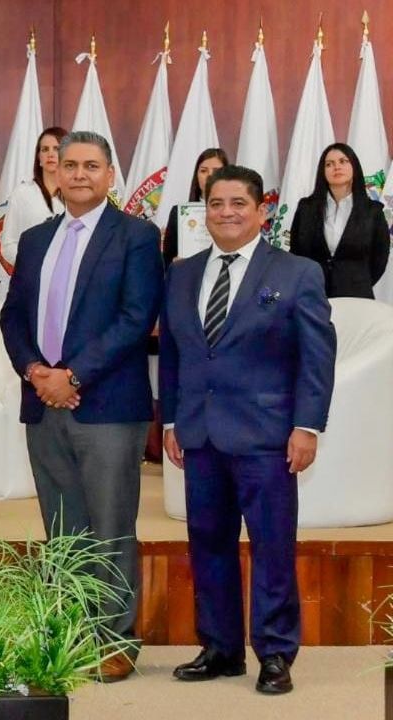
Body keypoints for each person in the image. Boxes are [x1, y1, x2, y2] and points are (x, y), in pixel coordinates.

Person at [161, 165, 335, 695]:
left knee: (272, 547)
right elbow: (173, 353)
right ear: (203, 210)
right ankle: (220, 648)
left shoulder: (297, 273)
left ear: (262, 211)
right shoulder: (183, 272)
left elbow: (316, 359)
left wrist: (307, 427)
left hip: (269, 438)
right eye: (216, 203)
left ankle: (276, 653)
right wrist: (170, 418)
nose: (227, 212)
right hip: (200, 436)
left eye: (239, 202)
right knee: (207, 544)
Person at [0, 130, 163, 682]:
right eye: (69, 165)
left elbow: (135, 319)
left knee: (110, 525)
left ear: (109, 174)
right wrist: (35, 372)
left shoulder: (137, 237)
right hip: (44, 403)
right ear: (55, 172)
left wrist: (72, 375)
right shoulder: (38, 238)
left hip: (107, 406)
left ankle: (115, 641)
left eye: (91, 166)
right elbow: (13, 316)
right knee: (62, 528)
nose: (78, 175)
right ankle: (73, 632)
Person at [288, 142, 390, 298]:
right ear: (323, 171)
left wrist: (357, 281)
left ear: (354, 167)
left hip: (356, 295)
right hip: (312, 294)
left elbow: (380, 258)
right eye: (329, 164)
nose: (336, 167)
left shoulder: (373, 211)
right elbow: (296, 251)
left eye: (343, 161)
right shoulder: (306, 208)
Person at [0, 126, 68, 268]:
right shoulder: (22, 194)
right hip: (32, 279)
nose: (50, 154)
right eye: (45, 149)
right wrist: (34, 262)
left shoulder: (78, 196)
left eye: (56, 148)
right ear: (39, 158)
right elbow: (8, 244)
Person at [163, 148, 228, 267]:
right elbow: (166, 260)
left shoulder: (234, 214)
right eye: (203, 171)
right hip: (188, 279)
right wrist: (175, 265)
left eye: (216, 171)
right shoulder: (179, 213)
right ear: (196, 176)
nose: (209, 176)